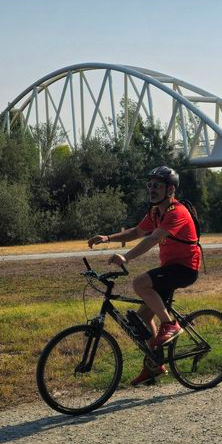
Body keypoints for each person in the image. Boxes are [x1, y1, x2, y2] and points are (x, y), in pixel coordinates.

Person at [87, 165, 202, 386]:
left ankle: (170, 324)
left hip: (184, 269)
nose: (151, 189)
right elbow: (138, 232)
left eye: (156, 186)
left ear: (170, 189)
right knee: (140, 321)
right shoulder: (155, 212)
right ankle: (154, 365)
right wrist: (108, 237)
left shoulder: (177, 212)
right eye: (149, 185)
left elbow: (152, 239)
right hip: (169, 269)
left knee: (140, 283)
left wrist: (126, 258)